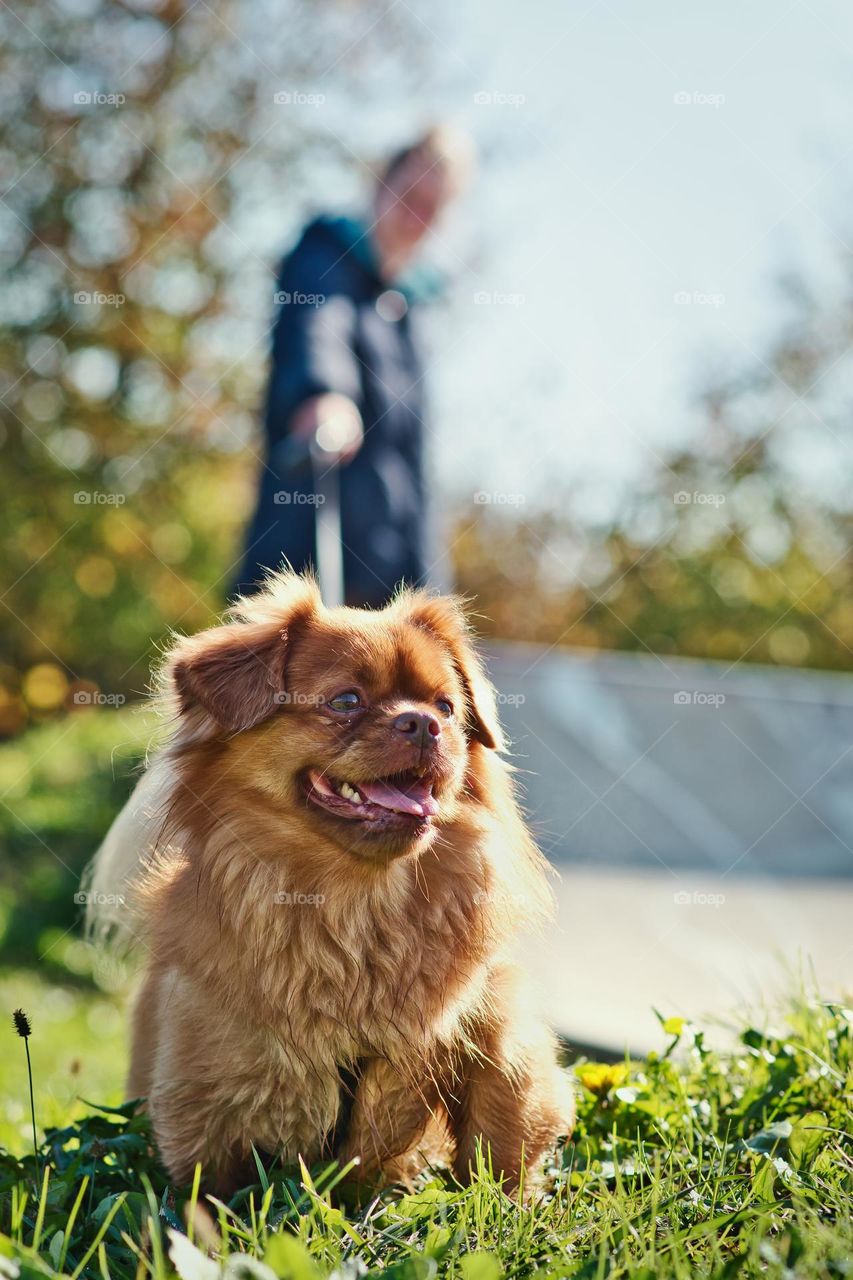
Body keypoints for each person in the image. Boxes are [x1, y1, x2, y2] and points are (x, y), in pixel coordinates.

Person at [234, 126, 471, 606]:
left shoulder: (412, 311)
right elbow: (319, 326)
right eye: (409, 196)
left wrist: (432, 589)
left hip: (389, 577)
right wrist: (326, 394)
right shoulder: (326, 254)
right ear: (381, 186)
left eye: (432, 207)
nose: (416, 216)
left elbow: (415, 465)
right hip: (307, 564)